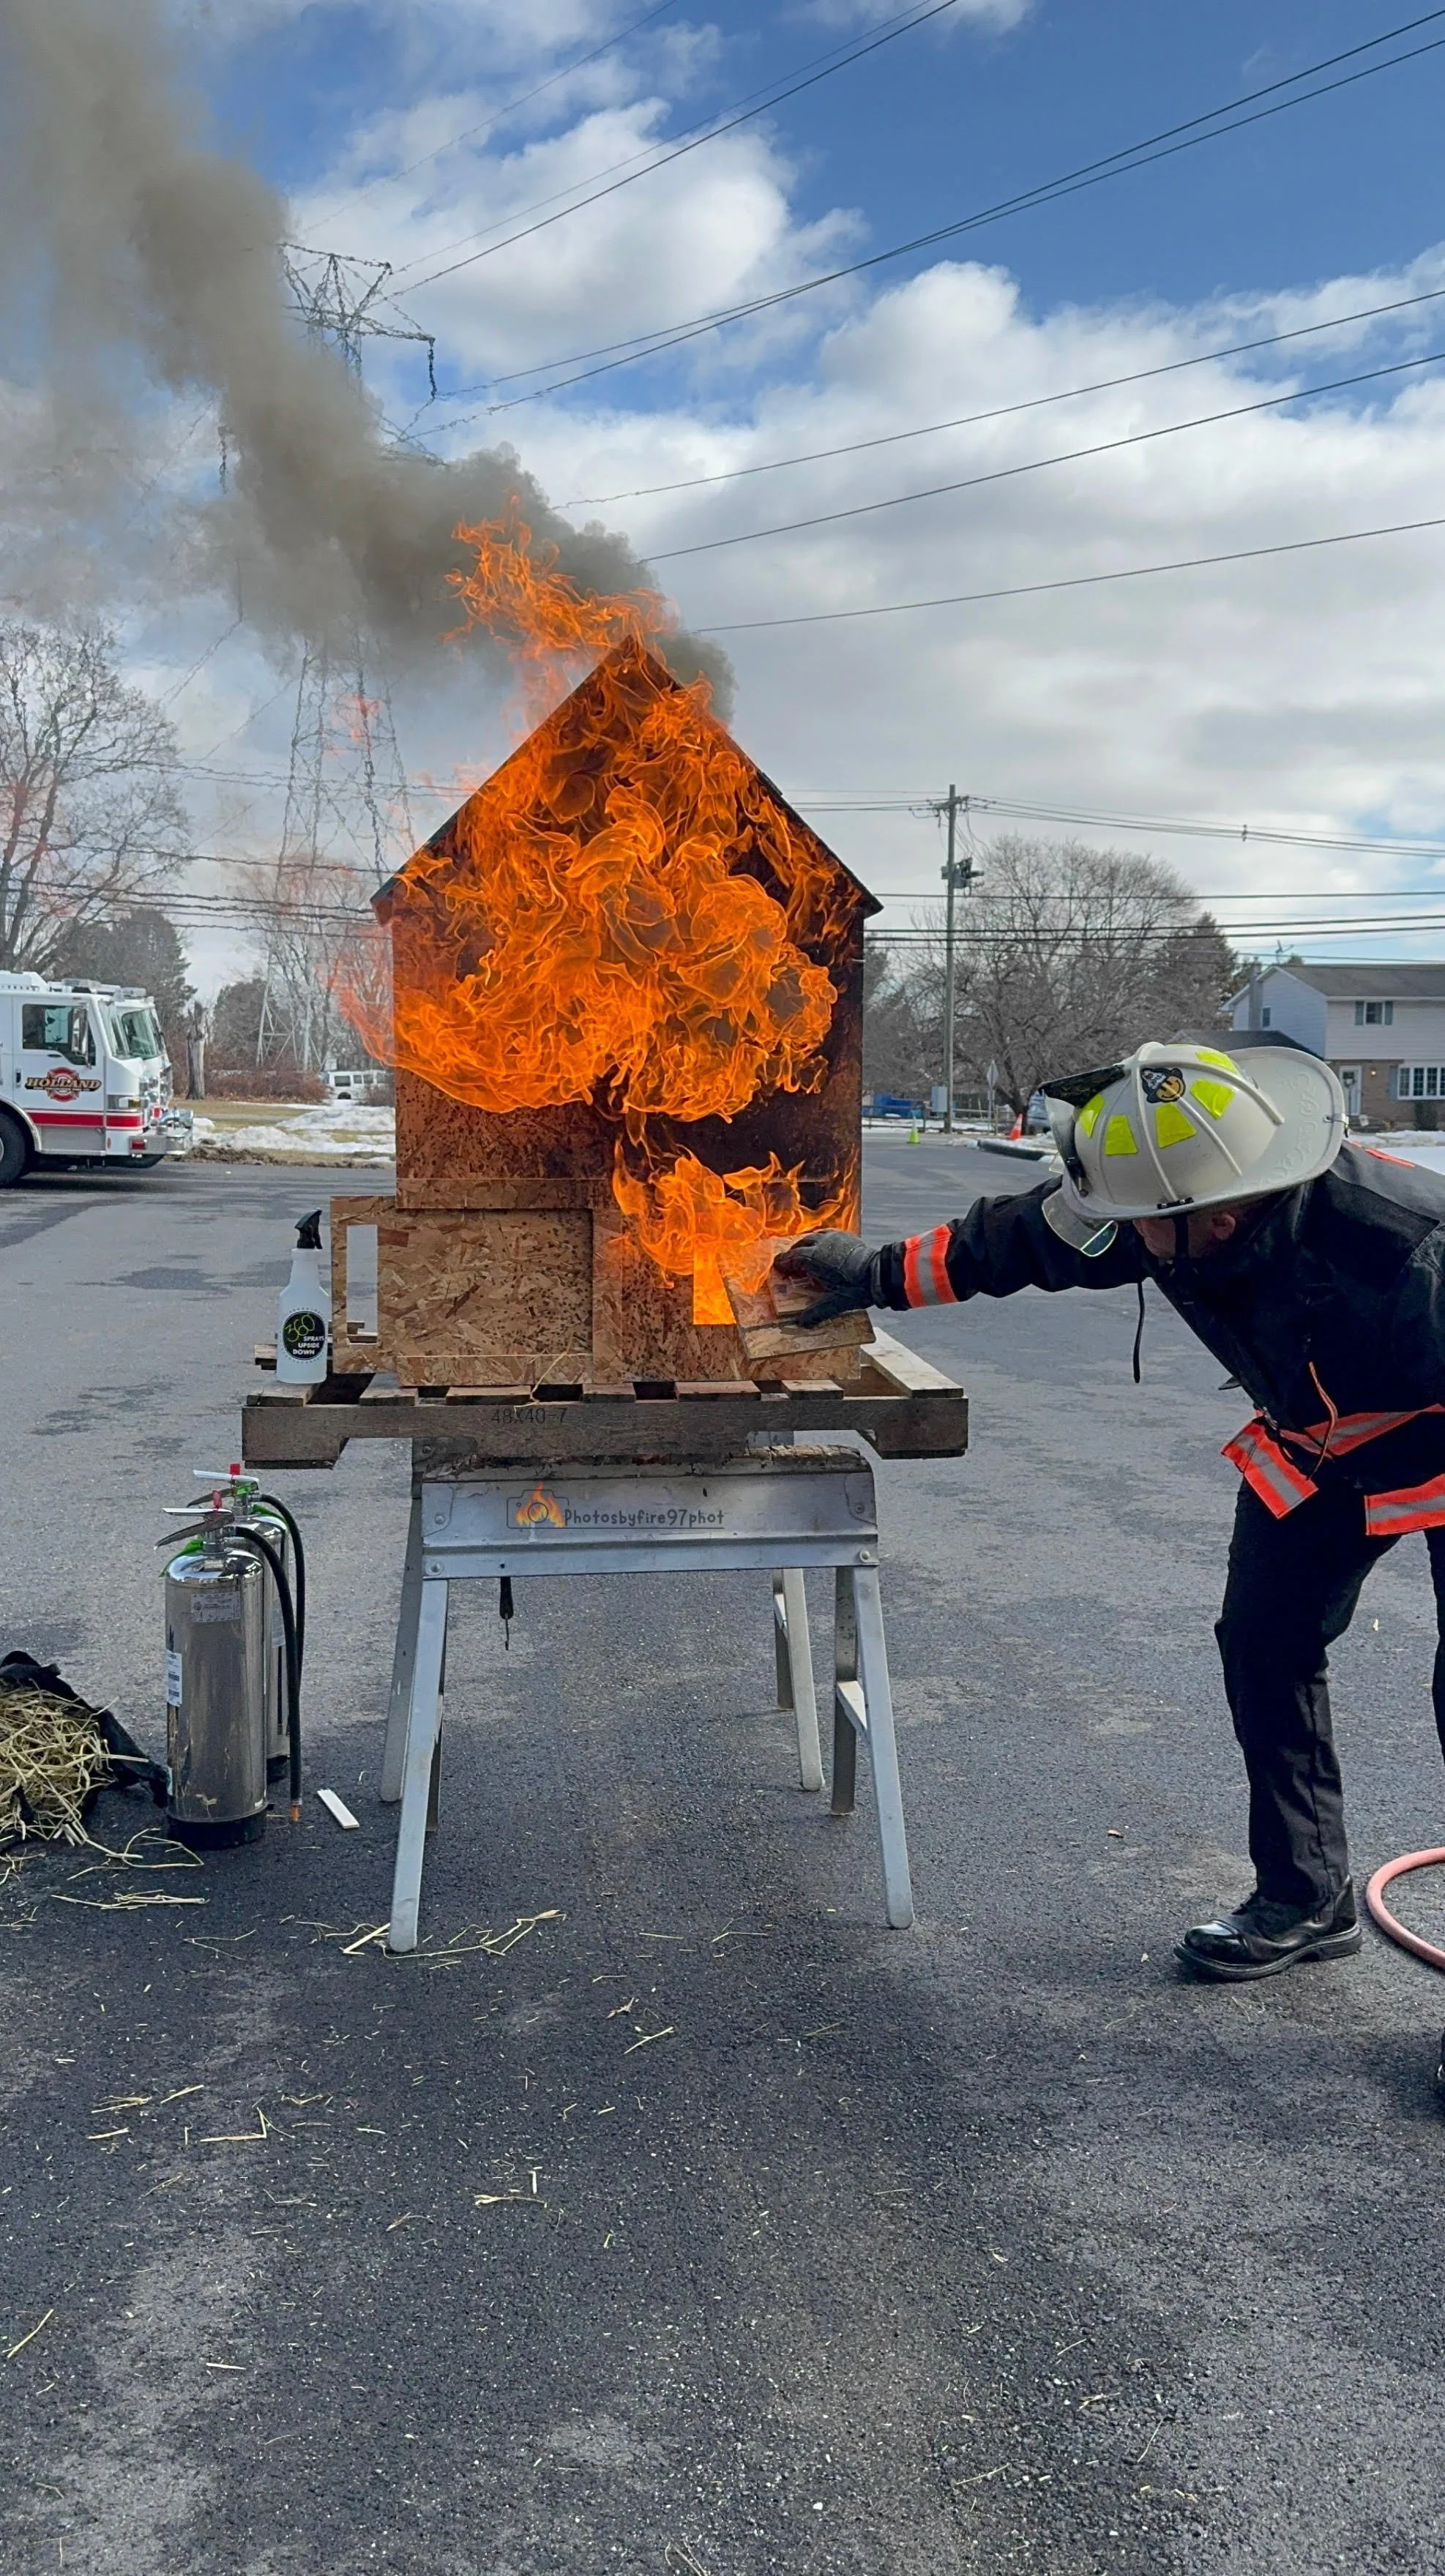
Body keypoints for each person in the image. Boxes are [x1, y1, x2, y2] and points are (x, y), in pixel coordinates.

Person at [775, 1032, 1445, 1982]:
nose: (1112, 1232)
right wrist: (876, 1274)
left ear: (1214, 1218)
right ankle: (1303, 1895)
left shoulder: (1407, 1250)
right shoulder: (1164, 1199)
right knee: (1262, 1642)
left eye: (1131, 1224)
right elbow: (1026, 1240)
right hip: (1317, 1449)